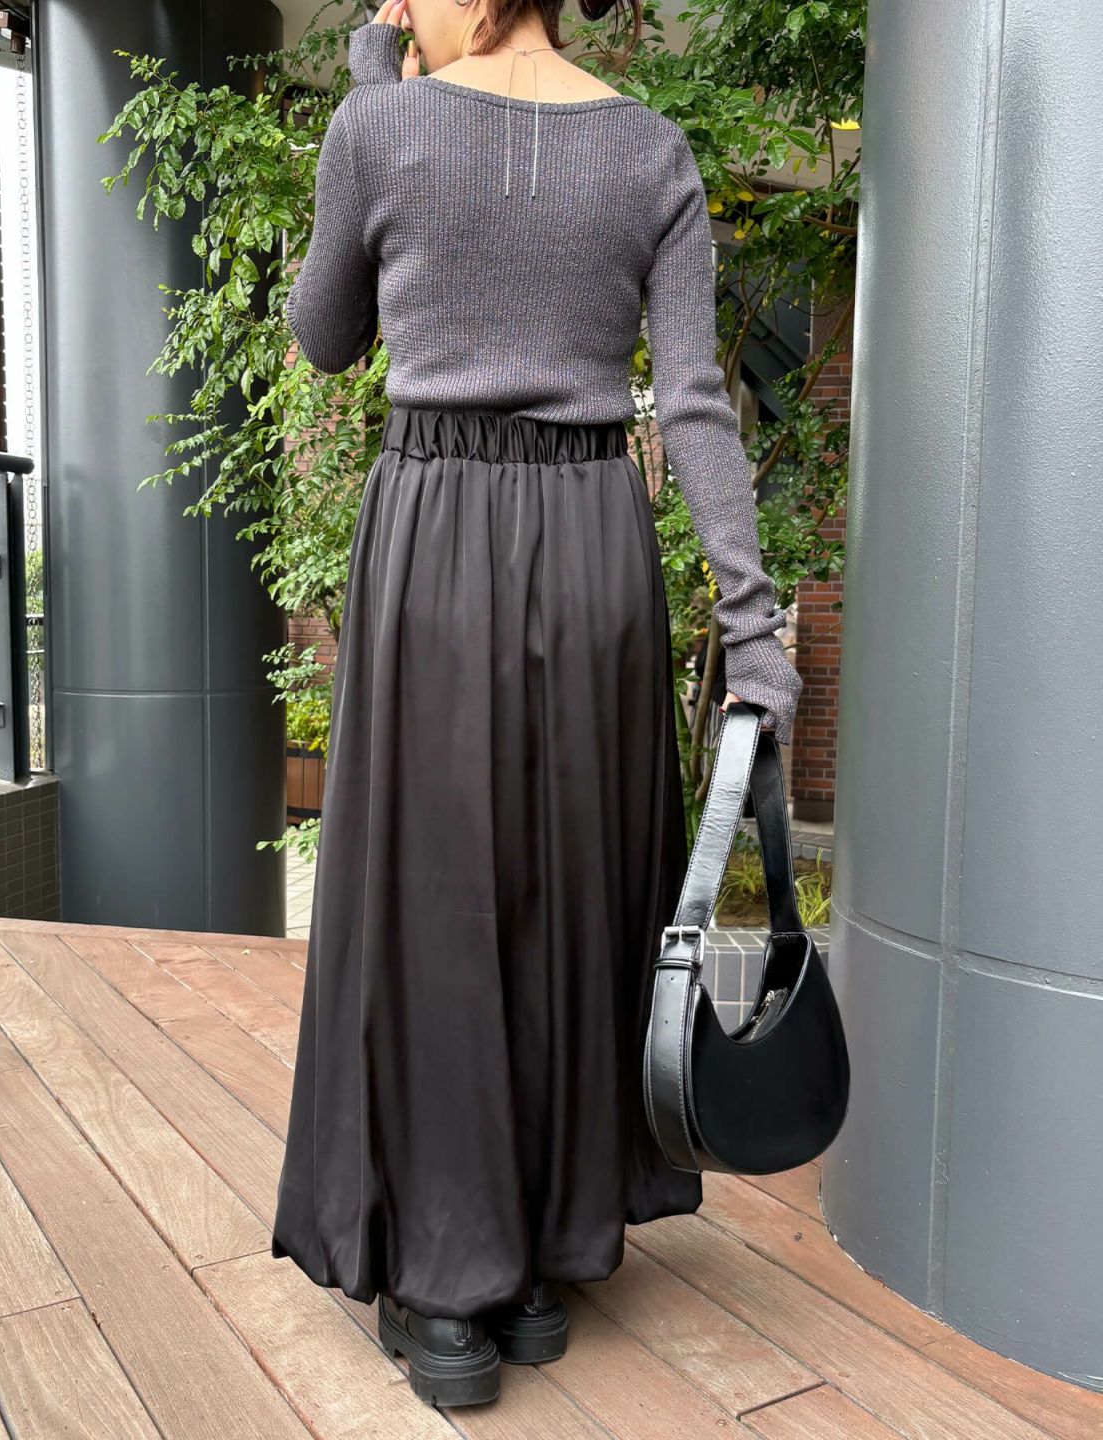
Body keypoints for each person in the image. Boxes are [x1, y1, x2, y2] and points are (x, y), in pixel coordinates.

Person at [271, 0, 804, 1409]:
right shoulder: (651, 151)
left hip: (437, 532)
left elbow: (321, 337)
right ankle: (543, 1259)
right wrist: (753, 632)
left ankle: (448, 1285)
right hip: (591, 548)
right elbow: (694, 401)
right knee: (570, 888)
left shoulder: (381, 125)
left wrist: (370, 87)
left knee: (435, 900)